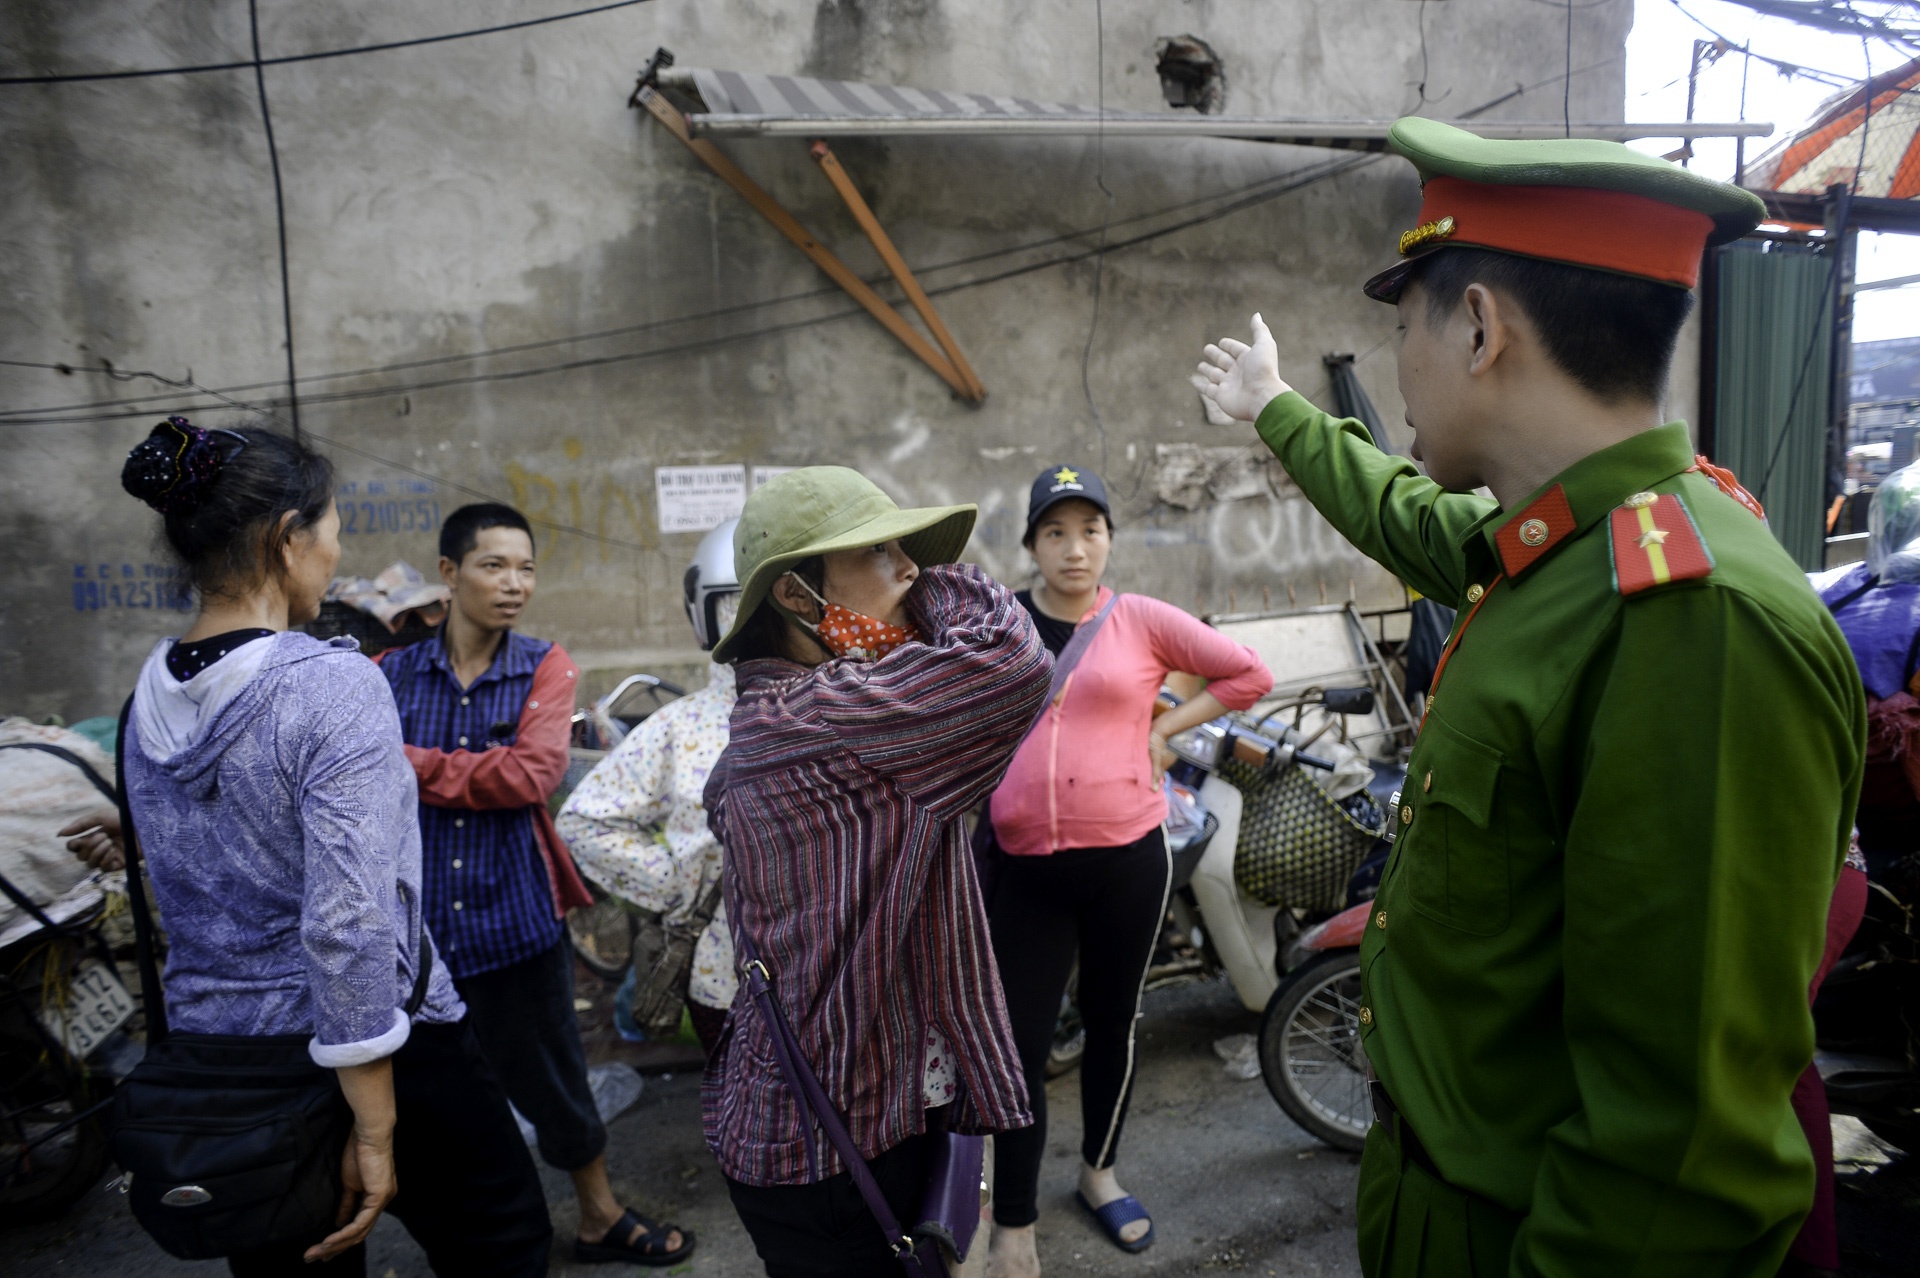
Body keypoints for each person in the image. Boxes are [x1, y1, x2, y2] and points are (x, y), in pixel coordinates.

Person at [1195, 119, 1865, 1277]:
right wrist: (1275, 409)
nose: (1395, 365)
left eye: (1398, 327)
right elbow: (1410, 516)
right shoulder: (1569, 545)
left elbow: (1673, 1161)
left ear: (1478, 326)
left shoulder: (1688, 617)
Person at [114, 417, 551, 1276]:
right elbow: (350, 917)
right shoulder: (330, 684)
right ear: (288, 539)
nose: (333, 556)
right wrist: (376, 1124)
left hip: (226, 1056)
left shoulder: (146, 700)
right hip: (382, 1044)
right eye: (333, 534)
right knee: (502, 1245)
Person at [702, 467, 1051, 1277]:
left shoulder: (782, 710)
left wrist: (897, 588)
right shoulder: (829, 717)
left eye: (909, 551)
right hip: (832, 1146)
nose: (908, 569)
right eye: (881, 551)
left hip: (833, 1117)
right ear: (795, 594)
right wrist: (935, 590)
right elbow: (1010, 659)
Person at [378, 503, 692, 1267]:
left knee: (555, 1082)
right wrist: (455, 772)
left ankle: (598, 1215)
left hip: (514, 921)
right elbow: (366, 774)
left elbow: (530, 775)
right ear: (449, 574)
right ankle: (477, 1234)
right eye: (494, 566)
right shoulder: (388, 672)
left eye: (525, 568)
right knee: (440, 1095)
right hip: (418, 936)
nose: (514, 584)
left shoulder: (545, 666)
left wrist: (408, 764)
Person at [983, 464, 1271, 1272]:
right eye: (1055, 532)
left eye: (1091, 530)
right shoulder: (998, 626)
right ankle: (1012, 1218)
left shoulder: (1140, 620)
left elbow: (1248, 674)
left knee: (1114, 1022)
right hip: (1026, 869)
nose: (1075, 549)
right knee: (1018, 1044)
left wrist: (1165, 728)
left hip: (1127, 862)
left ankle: (1100, 1176)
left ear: (1110, 538)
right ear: (1033, 543)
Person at [559, 519, 741, 1054]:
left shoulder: (848, 712)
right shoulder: (679, 727)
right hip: (724, 977)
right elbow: (585, 819)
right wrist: (677, 884)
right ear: (710, 614)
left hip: (844, 981)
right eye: (739, 604)